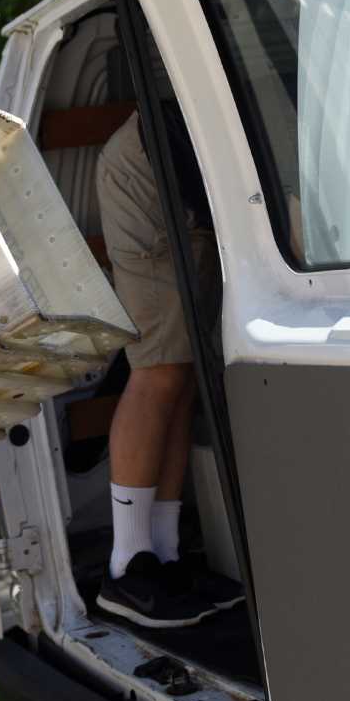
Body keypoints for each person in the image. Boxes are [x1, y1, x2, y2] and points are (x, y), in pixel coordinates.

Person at [92, 108, 245, 629]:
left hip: (179, 169)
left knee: (182, 376)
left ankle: (164, 554)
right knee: (158, 368)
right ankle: (127, 566)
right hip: (151, 167)